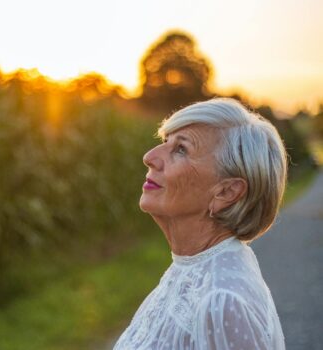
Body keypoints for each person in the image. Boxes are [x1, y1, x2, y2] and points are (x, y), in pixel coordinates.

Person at [113, 98, 286, 350]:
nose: (149, 157)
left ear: (226, 192)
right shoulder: (192, 267)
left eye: (181, 149)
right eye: (165, 143)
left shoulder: (223, 301)